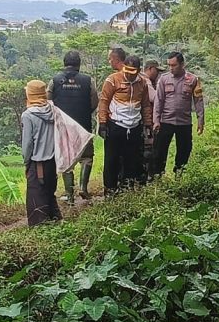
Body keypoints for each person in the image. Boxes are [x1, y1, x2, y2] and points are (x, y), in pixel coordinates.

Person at [98, 49, 153, 193]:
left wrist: (148, 124)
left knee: (132, 159)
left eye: (133, 71)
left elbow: (146, 105)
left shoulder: (142, 83)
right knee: (112, 160)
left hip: (134, 126)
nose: (129, 74)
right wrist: (103, 123)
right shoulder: (112, 80)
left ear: (139, 70)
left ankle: (127, 187)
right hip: (116, 125)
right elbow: (104, 102)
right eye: (127, 70)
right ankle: (110, 189)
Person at [48, 50, 97, 202]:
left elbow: (49, 103)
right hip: (83, 125)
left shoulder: (54, 81)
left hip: (63, 128)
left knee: (66, 158)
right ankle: (83, 188)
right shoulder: (89, 81)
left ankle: (69, 195)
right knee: (87, 157)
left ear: (64, 64)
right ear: (79, 65)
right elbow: (95, 101)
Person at [153, 51, 205, 176]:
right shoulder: (164, 79)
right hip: (166, 121)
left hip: (184, 122)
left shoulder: (193, 79)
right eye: (169, 65)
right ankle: (158, 177)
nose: (171, 68)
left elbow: (198, 101)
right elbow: (158, 101)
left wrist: (200, 120)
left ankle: (179, 176)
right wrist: (156, 120)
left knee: (184, 150)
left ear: (182, 64)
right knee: (160, 151)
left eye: (174, 65)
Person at [20, 79, 61, 226]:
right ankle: (55, 222)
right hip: (52, 161)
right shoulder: (53, 110)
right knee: (50, 194)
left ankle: (41, 229)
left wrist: (26, 162)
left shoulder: (28, 115)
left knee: (36, 199)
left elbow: (28, 144)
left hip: (37, 163)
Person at [140, 58, 161, 182]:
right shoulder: (145, 81)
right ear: (150, 69)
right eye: (156, 70)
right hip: (146, 120)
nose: (157, 73)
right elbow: (154, 97)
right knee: (148, 148)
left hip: (144, 119)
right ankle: (148, 175)